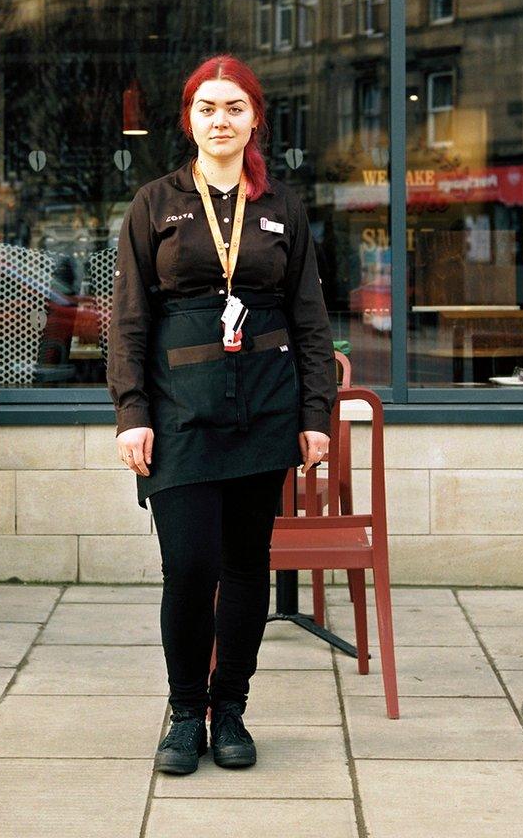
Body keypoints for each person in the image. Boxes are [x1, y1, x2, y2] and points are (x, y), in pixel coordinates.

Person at [107, 55, 336, 775]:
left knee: (245, 568)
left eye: (234, 108)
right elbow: (128, 322)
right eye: (207, 108)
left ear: (254, 119)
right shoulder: (155, 204)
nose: (221, 120)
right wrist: (130, 412)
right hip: (179, 415)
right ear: (190, 120)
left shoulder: (283, 209)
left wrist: (316, 413)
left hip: (264, 411)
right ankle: (183, 715)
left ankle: (229, 708)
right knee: (190, 566)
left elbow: (310, 317)